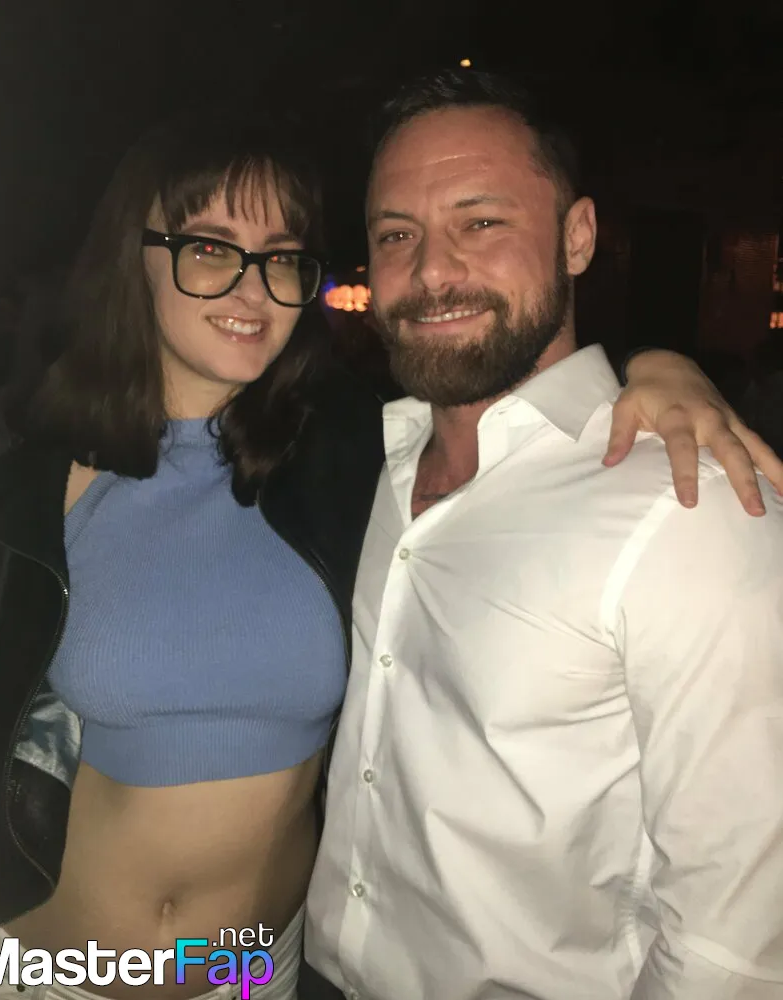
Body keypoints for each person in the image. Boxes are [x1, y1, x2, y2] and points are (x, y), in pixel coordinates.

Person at [0, 103, 778, 1000]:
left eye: (281, 258)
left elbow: (506, 400)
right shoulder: (34, 486)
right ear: (137, 258)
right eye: (209, 249)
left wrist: (663, 366)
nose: (251, 290)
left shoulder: (348, 456)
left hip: (256, 976)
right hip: (44, 969)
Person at [302, 70, 783, 1000]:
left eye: (480, 222)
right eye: (396, 235)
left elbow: (737, 943)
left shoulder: (691, 509)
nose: (431, 271)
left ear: (578, 237)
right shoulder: (360, 460)